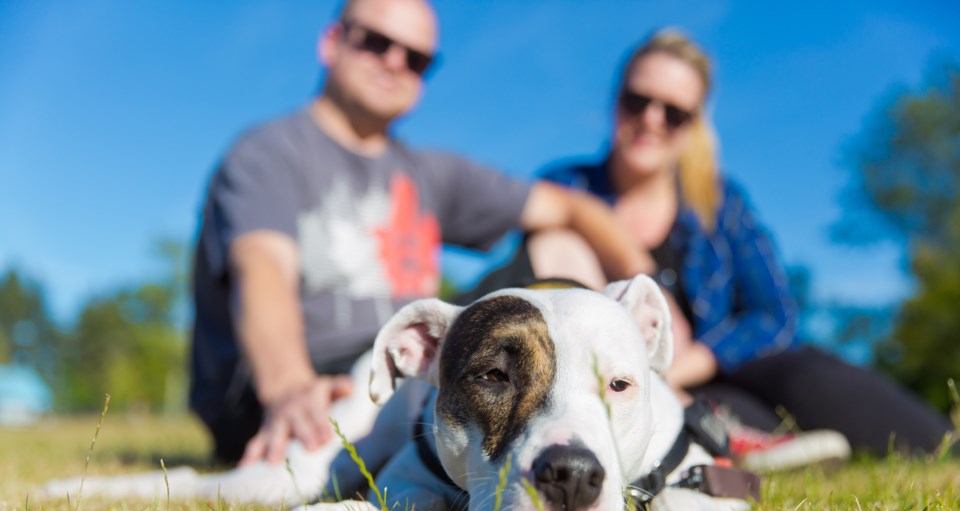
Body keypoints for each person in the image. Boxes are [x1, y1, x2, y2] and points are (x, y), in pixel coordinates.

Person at [189, 0, 652, 467]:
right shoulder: (268, 153)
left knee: (560, 246)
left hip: (416, 374)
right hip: (309, 378)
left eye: (416, 59)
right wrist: (287, 387)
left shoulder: (431, 173)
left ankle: (598, 433)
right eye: (375, 42)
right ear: (332, 42)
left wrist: (653, 291)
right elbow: (262, 272)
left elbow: (575, 208)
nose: (394, 62)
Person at [531, 29, 956, 470]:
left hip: (734, 362)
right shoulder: (566, 188)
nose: (652, 119)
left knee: (815, 381)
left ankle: (944, 447)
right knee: (734, 419)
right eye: (638, 100)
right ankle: (778, 448)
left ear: (693, 126)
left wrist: (692, 361)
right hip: (643, 384)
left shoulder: (721, 202)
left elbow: (774, 313)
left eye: (674, 112)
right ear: (616, 99)